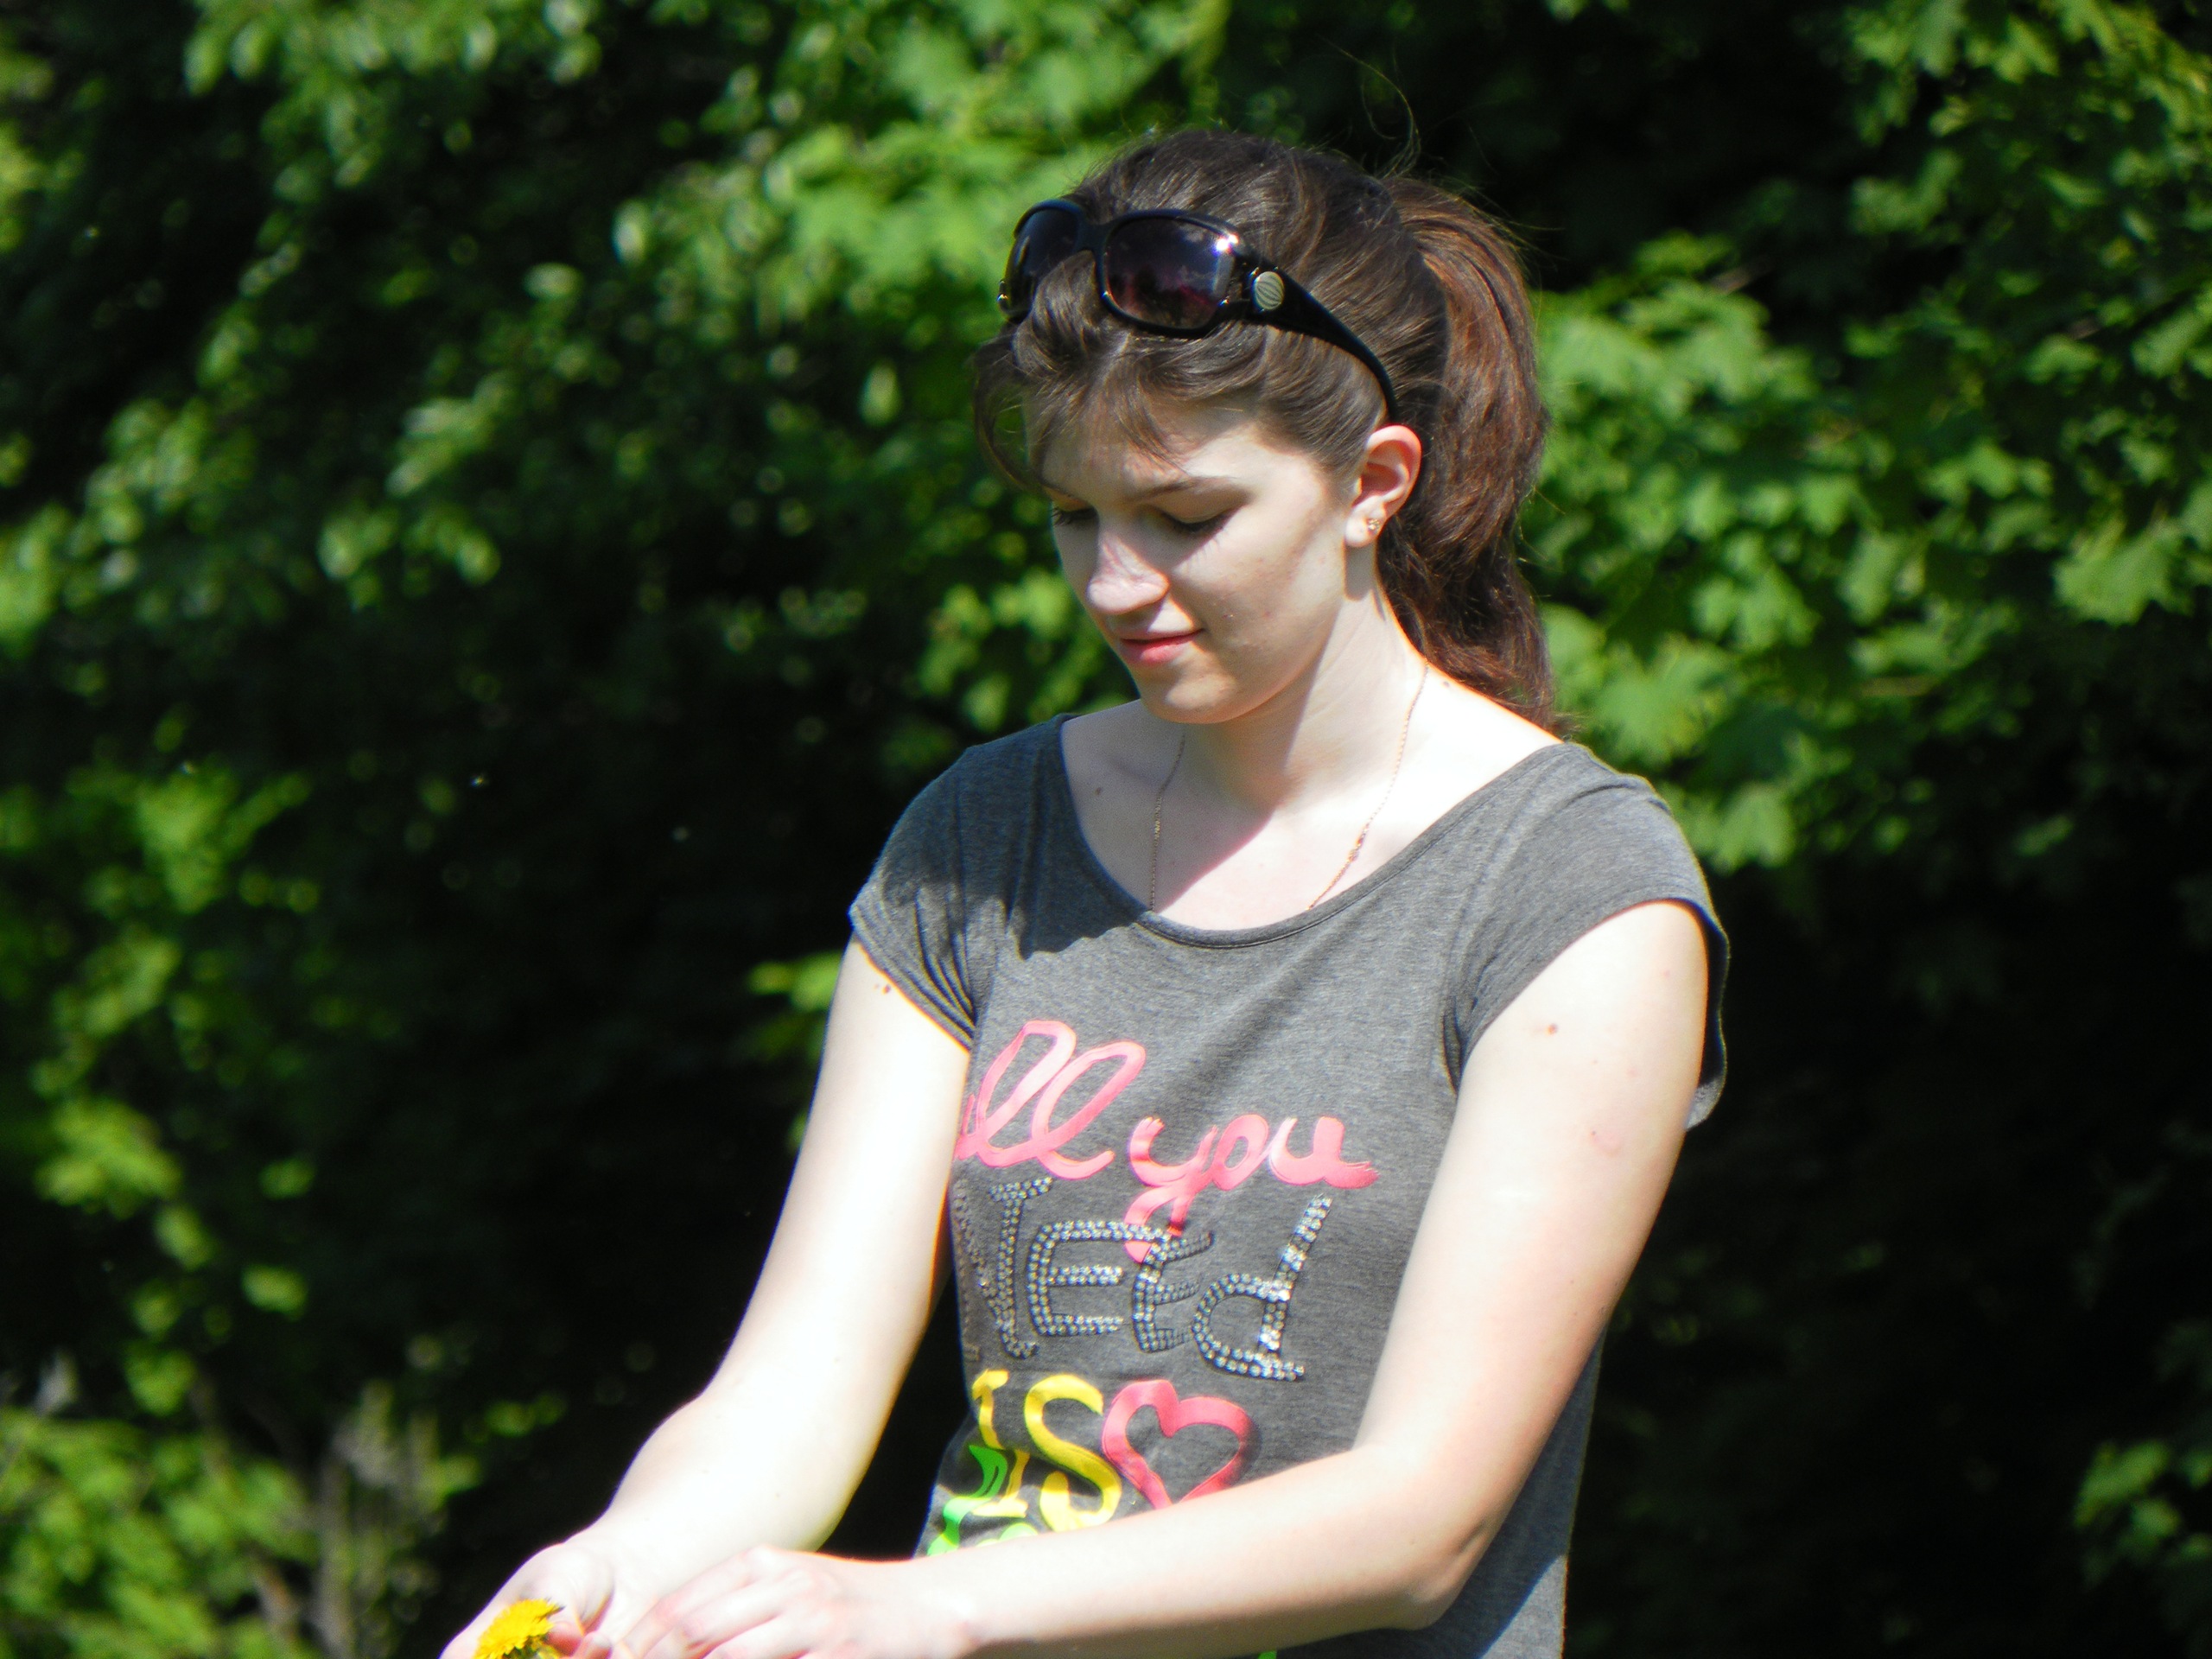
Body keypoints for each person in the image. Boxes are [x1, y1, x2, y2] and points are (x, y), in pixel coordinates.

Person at [444, 129, 1726, 1659]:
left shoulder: (1573, 888)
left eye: (1185, 518)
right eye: (1075, 514)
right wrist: (610, 1571)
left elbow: (1417, 1523)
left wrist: (929, 1604)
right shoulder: (979, 838)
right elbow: (790, 1394)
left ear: (1373, 485)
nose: (1114, 583)